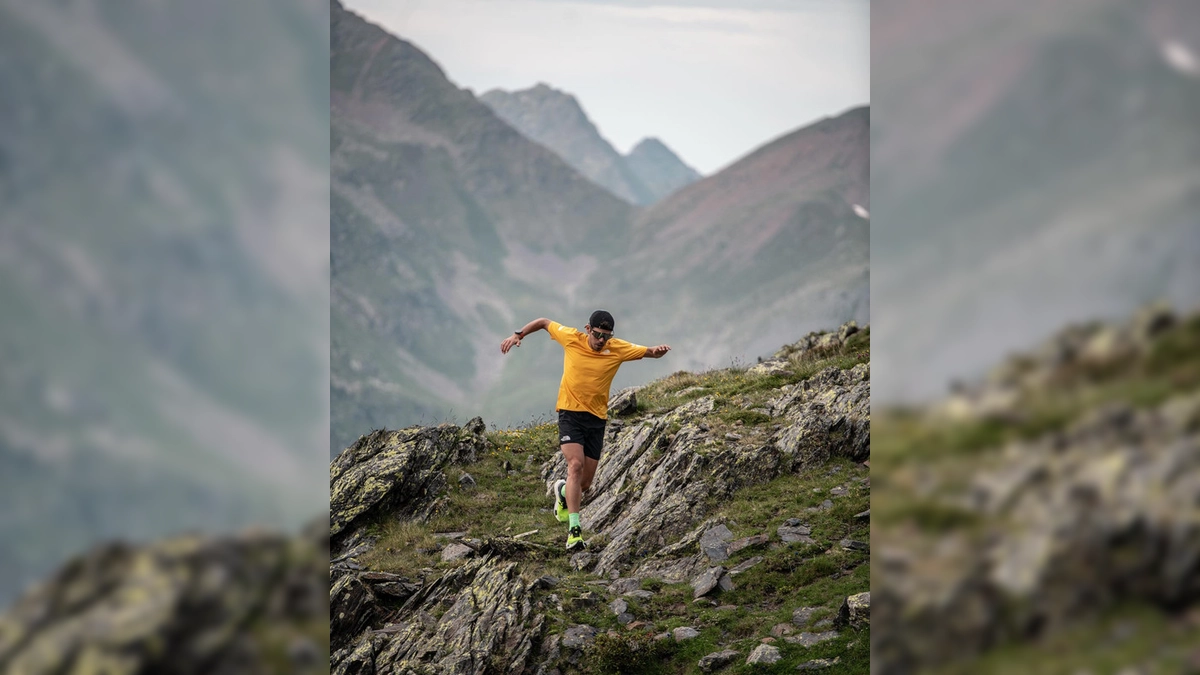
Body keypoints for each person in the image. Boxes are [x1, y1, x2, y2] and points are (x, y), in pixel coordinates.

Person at [500, 310, 671, 550]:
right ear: (588, 329)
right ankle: (574, 531)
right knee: (575, 465)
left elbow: (649, 352)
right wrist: (518, 334)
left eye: (607, 336)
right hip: (570, 415)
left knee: (585, 484)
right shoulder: (571, 338)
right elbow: (544, 322)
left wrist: (659, 351)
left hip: (597, 420)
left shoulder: (617, 348)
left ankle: (561, 490)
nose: (602, 341)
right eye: (598, 335)